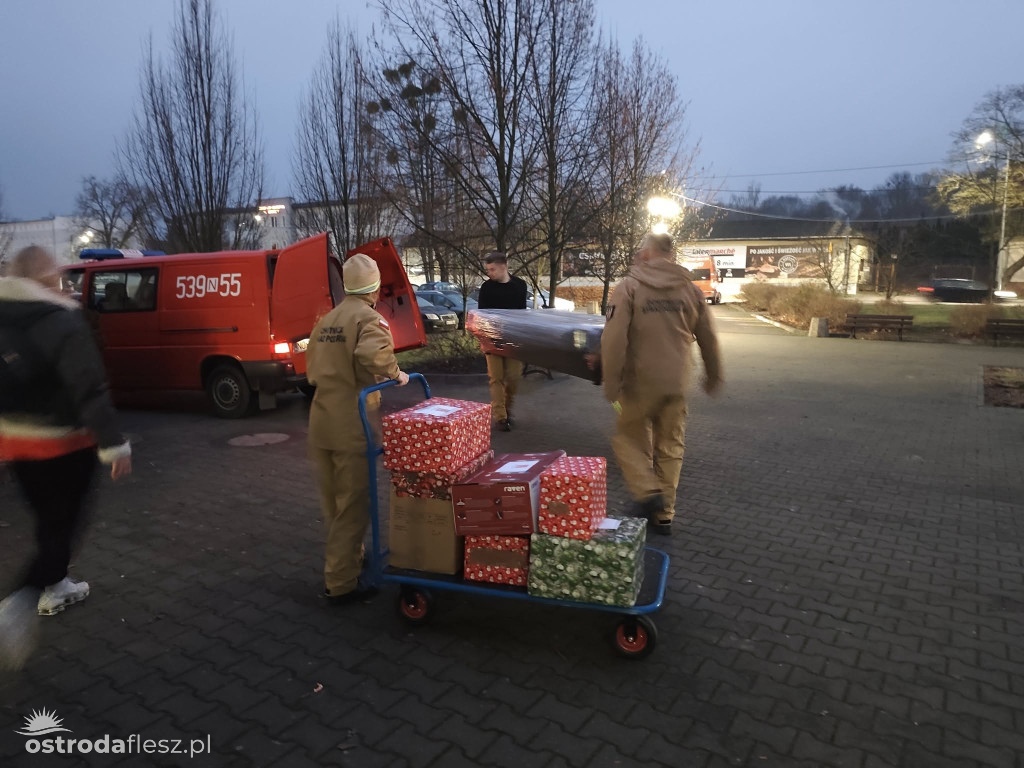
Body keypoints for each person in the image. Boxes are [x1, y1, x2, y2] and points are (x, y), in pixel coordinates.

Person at [0, 245, 132, 671]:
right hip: (64, 445)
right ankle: (19, 603)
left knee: (46, 520)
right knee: (65, 528)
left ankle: (55, 585)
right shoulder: (61, 319)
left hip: (16, 444)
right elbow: (88, 387)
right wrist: (113, 444)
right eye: (56, 275)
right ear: (46, 278)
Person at [601, 233, 722, 536]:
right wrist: (713, 376)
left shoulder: (629, 288)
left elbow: (614, 340)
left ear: (646, 254)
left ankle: (647, 492)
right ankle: (664, 514)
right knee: (670, 447)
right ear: (670, 254)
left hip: (639, 383)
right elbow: (708, 338)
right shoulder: (691, 290)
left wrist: (611, 382)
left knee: (628, 439)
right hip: (677, 383)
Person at [307, 252, 409, 605]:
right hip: (352, 421)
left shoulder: (327, 320)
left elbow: (310, 365)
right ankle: (341, 583)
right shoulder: (369, 318)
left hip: (321, 418)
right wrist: (396, 373)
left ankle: (350, 558)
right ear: (375, 287)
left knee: (334, 502)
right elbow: (373, 355)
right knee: (353, 505)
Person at [476, 251, 528, 431]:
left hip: (514, 339)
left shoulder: (520, 286)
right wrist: (485, 338)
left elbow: (522, 314)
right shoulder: (486, 288)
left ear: (504, 267)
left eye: (492, 269)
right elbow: (482, 315)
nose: (489, 273)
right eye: (488, 270)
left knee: (514, 377)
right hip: (492, 339)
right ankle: (500, 417)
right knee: (496, 378)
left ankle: (507, 407)